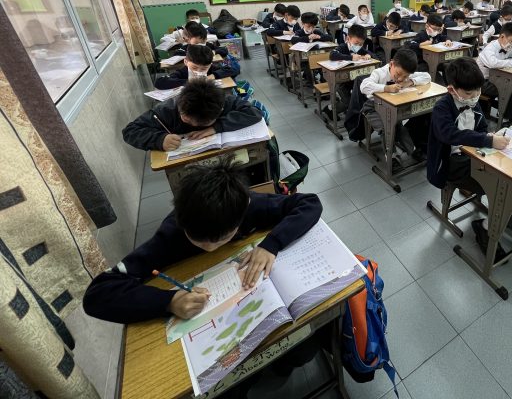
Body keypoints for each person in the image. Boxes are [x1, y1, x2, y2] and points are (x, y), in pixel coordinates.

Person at [82, 158, 322, 324]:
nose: (209, 247)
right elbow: (97, 294)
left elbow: (310, 203)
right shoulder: (170, 235)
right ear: (180, 218)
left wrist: (271, 244)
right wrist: (169, 301)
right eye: (198, 240)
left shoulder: (249, 205)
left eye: (221, 239)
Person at [427, 57, 509, 191]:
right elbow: (450, 135)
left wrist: (489, 136)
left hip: (473, 153)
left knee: (502, 169)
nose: (475, 96)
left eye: (478, 90)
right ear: (451, 90)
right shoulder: (442, 107)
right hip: (451, 161)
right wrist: (487, 140)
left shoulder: (471, 101)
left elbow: (482, 127)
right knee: (495, 182)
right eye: (469, 93)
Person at [123, 80, 263, 151]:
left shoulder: (222, 101)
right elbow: (130, 131)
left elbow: (254, 112)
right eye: (186, 118)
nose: (192, 123)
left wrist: (216, 127)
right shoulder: (166, 110)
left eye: (202, 123)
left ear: (220, 110)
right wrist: (159, 140)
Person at [360, 49, 431, 161]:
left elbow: (427, 76)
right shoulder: (379, 73)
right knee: (387, 126)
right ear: (391, 64)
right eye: (398, 74)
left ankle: (412, 150)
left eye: (405, 76)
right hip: (373, 107)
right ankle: (391, 157)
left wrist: (410, 81)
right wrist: (386, 88)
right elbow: (363, 86)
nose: (400, 78)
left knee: (399, 125)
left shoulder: (405, 72)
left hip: (393, 107)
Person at [478, 23, 512, 119]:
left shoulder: (507, 47)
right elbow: (493, 63)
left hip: (497, 79)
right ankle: (506, 118)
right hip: (482, 82)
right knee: (509, 88)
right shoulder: (490, 48)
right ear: (502, 36)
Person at [323, 24, 374, 118]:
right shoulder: (343, 47)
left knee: (360, 98)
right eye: (356, 43)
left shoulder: (360, 49)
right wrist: (351, 57)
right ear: (348, 38)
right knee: (347, 102)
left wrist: (368, 55)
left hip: (353, 81)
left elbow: (371, 54)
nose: (358, 46)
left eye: (361, 44)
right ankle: (330, 109)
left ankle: (352, 113)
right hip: (341, 82)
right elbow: (332, 55)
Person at [154, 44, 237, 89]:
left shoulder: (211, 69)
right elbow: (159, 82)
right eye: (194, 67)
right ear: (186, 62)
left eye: (204, 69)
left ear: (210, 64)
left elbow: (234, 70)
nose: (199, 71)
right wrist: (190, 82)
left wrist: (212, 76)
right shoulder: (183, 72)